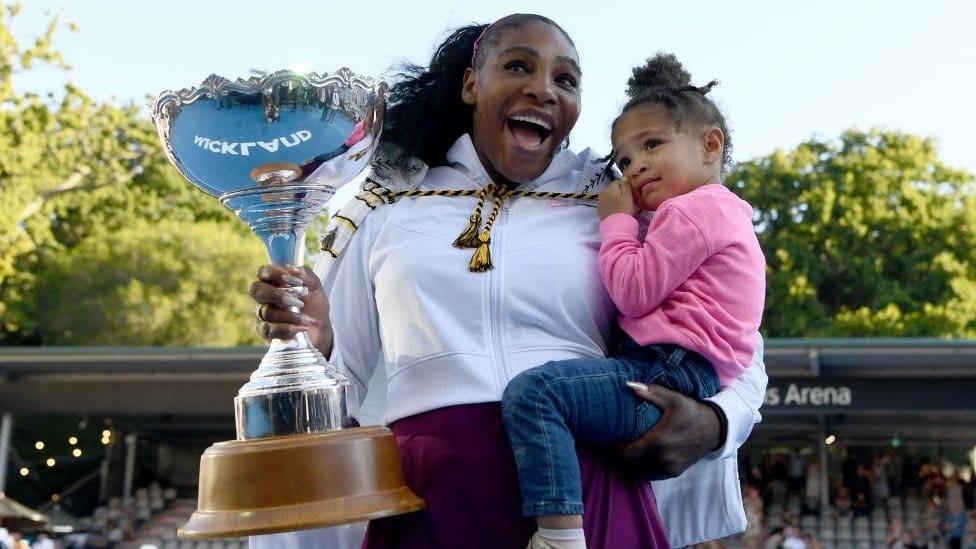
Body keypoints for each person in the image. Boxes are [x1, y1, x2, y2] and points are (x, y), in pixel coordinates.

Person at [249, 13, 767, 549]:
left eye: (565, 80)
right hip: (429, 490)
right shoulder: (387, 206)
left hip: (589, 485)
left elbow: (732, 327)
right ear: (472, 84)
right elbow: (344, 380)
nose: (543, 89)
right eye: (518, 66)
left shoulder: (620, 202)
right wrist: (312, 343)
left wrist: (716, 421)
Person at [499, 52, 765, 549]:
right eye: (623, 160)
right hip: (683, 370)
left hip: (666, 368)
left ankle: (559, 538)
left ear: (710, 146)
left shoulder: (690, 214)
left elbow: (633, 291)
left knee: (537, 395)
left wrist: (616, 223)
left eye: (653, 145)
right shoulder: (721, 213)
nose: (635, 166)